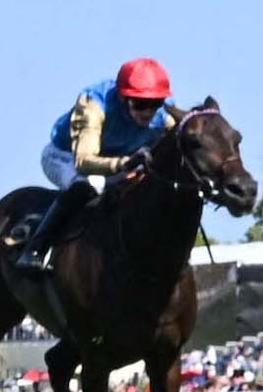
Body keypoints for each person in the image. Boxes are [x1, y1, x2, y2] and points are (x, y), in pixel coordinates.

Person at [26, 58, 179, 265]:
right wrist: (125, 164)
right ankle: (36, 248)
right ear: (124, 98)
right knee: (84, 184)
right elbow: (84, 161)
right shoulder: (94, 104)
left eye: (155, 104)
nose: (148, 113)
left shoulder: (164, 114)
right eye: (141, 104)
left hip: (122, 163)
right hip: (65, 157)